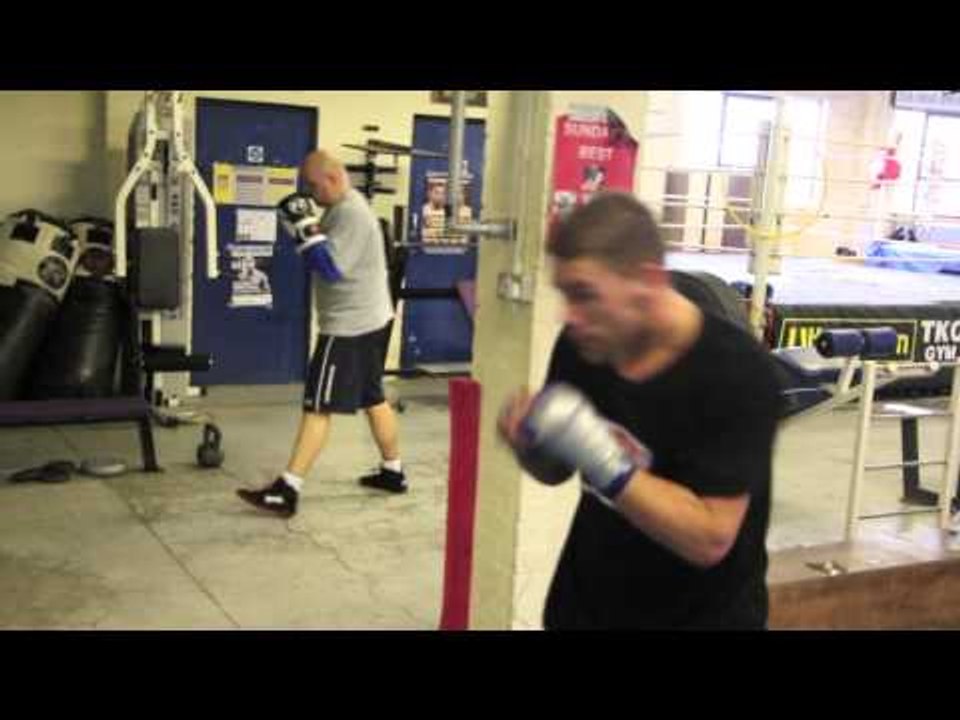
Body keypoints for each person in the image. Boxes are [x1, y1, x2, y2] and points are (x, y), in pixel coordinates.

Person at [497, 192, 781, 629]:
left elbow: (709, 538)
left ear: (647, 281)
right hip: (585, 611)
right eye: (565, 294)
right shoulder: (584, 344)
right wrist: (530, 444)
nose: (569, 315)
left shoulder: (736, 372)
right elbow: (556, 471)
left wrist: (599, 455)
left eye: (584, 294)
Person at [237, 150, 406, 519]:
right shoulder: (342, 207)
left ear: (332, 178)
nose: (311, 194)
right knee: (373, 397)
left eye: (314, 186)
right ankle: (393, 472)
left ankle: (287, 490)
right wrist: (305, 230)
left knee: (318, 406)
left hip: (348, 326)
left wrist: (302, 228)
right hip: (370, 319)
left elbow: (330, 268)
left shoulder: (351, 213)